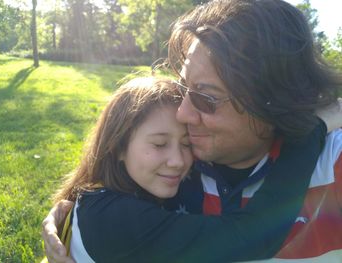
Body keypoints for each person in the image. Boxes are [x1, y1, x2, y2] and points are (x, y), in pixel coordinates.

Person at [43, 0, 342, 262]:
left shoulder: (334, 162)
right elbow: (250, 236)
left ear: (272, 101)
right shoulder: (159, 183)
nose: (182, 114)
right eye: (184, 88)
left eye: (205, 97)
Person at [43, 76, 326, 263]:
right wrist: (309, 134)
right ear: (118, 147)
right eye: (159, 144)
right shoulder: (113, 219)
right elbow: (251, 237)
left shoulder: (131, 190)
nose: (178, 161)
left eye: (186, 143)